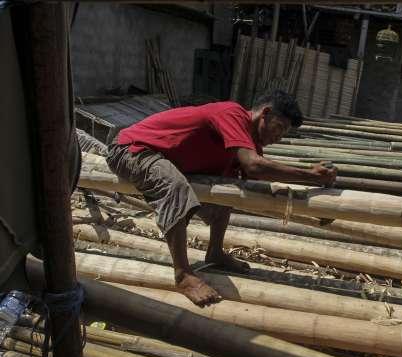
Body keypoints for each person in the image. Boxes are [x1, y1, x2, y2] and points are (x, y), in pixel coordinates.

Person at [106, 90, 337, 307]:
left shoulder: (249, 143)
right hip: (132, 149)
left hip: (171, 162)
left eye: (284, 133)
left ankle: (215, 252)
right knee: (175, 186)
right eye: (279, 127)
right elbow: (254, 166)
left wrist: (313, 209)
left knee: (229, 188)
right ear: (265, 113)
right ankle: (183, 274)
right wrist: (312, 177)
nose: (278, 137)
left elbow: (256, 185)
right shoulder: (232, 114)